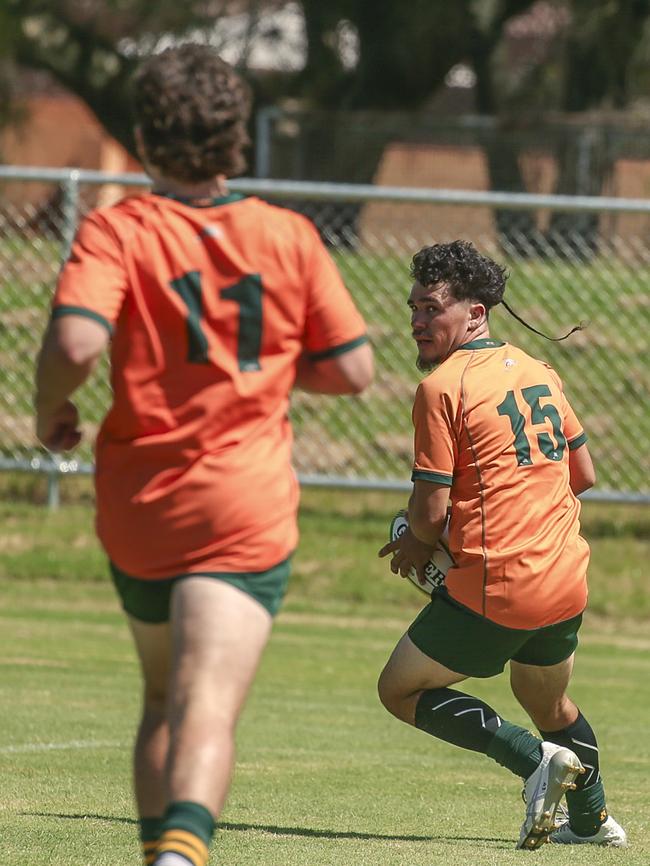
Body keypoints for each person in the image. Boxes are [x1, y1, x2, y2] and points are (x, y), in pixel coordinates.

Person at [34, 44, 373, 866]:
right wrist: (262, 362)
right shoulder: (286, 235)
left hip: (142, 503)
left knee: (161, 696)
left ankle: (164, 856)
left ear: (146, 141)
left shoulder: (119, 228)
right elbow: (354, 370)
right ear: (238, 143)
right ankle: (184, 858)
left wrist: (53, 410)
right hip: (243, 504)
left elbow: (78, 339)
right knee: (207, 707)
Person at [378, 240, 625, 850]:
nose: (417, 320)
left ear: (475, 313)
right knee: (546, 697)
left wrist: (414, 545)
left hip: (501, 585)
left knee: (399, 690)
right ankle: (592, 824)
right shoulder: (540, 370)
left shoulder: (442, 387)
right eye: (412, 307)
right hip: (565, 578)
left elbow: (431, 511)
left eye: (432, 307)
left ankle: (531, 762)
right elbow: (584, 475)